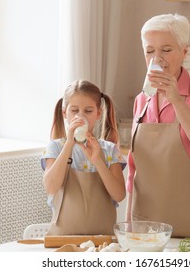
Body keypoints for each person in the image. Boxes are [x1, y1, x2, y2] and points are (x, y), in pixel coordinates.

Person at [126, 14, 190, 242]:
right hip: (148, 226)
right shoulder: (142, 100)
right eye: (150, 51)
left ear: (184, 52)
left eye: (166, 50)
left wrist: (177, 100)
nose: (157, 58)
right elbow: (134, 169)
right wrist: (128, 227)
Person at [41, 80, 126, 235]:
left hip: (102, 240)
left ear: (98, 113)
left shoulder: (109, 150)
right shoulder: (56, 147)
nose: (80, 116)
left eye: (88, 111)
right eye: (74, 110)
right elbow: (51, 187)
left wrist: (97, 160)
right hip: (63, 239)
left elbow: (119, 195)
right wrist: (68, 145)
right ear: (64, 113)